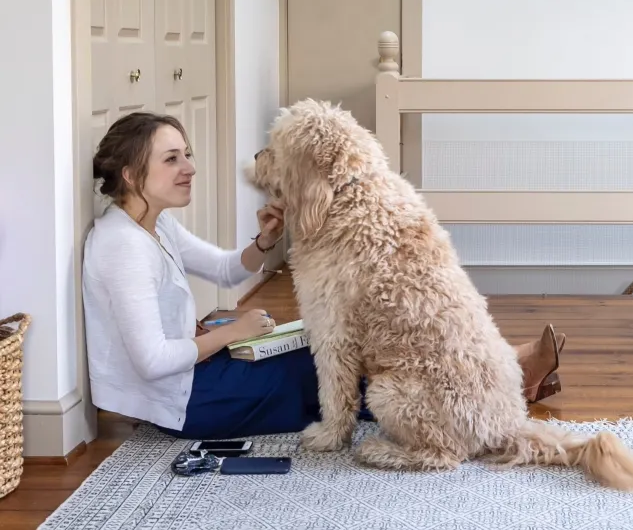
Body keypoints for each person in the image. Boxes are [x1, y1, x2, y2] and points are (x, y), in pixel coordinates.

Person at [83, 112, 566, 441]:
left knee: (311, 346)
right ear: (130, 174)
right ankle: (494, 386)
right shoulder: (121, 246)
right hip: (181, 402)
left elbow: (226, 270)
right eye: (172, 159)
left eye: (186, 154)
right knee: (326, 364)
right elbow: (151, 361)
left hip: (195, 371)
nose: (190, 167)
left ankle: (490, 373)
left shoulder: (154, 222)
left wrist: (265, 241)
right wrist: (238, 330)